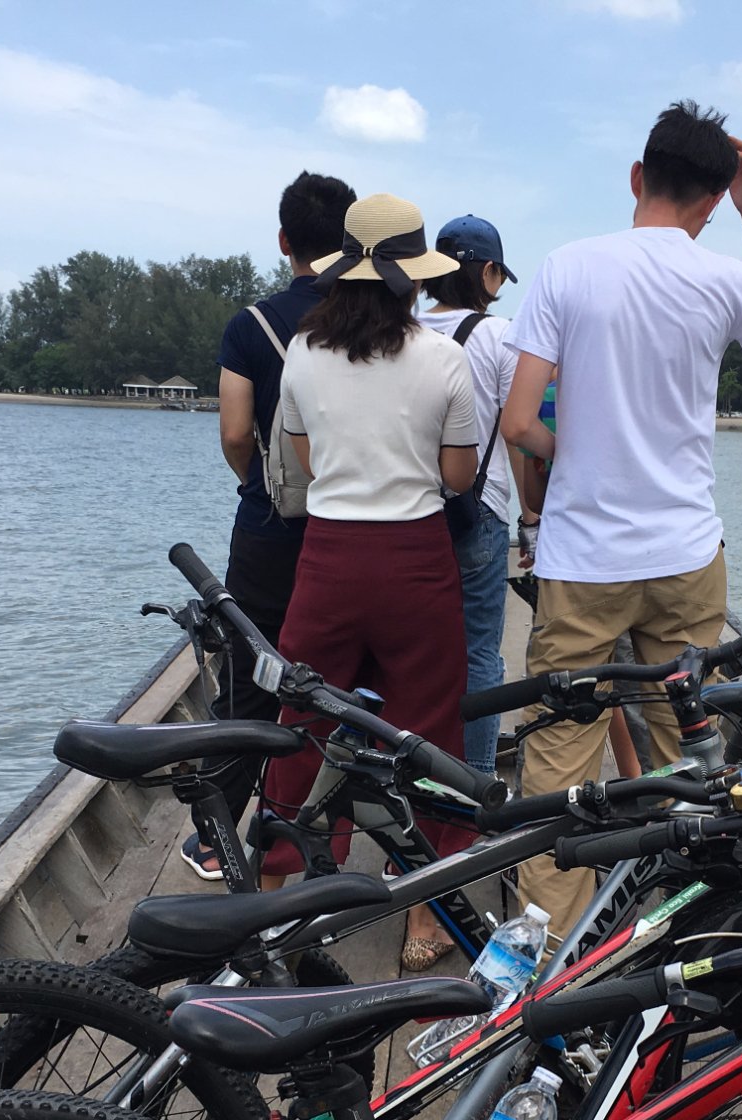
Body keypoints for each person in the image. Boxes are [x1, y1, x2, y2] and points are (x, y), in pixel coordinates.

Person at [498, 100, 742, 944]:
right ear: (711, 202)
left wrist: (573, 454)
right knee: (693, 743)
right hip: (684, 556)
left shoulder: (567, 267)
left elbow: (519, 421)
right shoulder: (719, 280)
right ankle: (710, 921)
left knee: (561, 758)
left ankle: (537, 959)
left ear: (637, 178)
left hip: (584, 560)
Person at [259, 193, 482, 970]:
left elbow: (305, 459)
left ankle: (278, 881)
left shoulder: (303, 351)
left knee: (302, 719)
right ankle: (425, 914)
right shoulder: (444, 359)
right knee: (428, 732)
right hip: (416, 561)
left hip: (328, 558)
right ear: (410, 279)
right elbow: (459, 478)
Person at [188, 170, 357, 880]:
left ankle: (216, 836)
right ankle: (320, 829)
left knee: (248, 685)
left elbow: (233, 430)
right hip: (348, 528)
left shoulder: (249, 325)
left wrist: (256, 483)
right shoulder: (367, 317)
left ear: (284, 240)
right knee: (341, 684)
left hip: (267, 528)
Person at [415, 215, 547, 776]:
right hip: (478, 515)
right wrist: (533, 522)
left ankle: (415, 786)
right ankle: (473, 790)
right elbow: (519, 440)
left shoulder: (400, 330)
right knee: (478, 658)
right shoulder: (498, 336)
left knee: (415, 657)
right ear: (488, 273)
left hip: (409, 517)